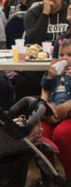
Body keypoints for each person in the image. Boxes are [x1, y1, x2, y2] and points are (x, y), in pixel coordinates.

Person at [38, 38, 71, 177]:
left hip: (68, 113)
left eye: (69, 55)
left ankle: (69, 176)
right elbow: (45, 87)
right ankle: (50, 175)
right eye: (62, 55)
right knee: (39, 134)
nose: (64, 58)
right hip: (53, 109)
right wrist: (51, 75)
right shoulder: (57, 73)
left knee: (61, 135)